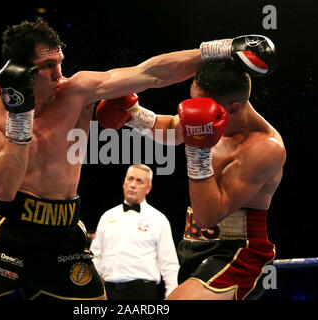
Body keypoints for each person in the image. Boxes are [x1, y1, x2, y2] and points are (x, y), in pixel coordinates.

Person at [0, 17, 246, 300]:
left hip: (63, 236)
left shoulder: (77, 91)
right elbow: (4, 188)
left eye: (59, 62)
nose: (59, 75)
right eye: (48, 66)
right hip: (6, 231)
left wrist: (219, 49)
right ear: (20, 71)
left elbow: (150, 73)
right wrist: (20, 118)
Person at [96, 35, 285, 300]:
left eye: (202, 107)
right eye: (193, 104)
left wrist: (198, 150)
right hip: (193, 247)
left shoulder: (264, 148)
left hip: (239, 254)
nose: (195, 112)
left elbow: (208, 215)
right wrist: (132, 115)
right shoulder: (208, 119)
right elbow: (170, 129)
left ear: (232, 107)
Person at [90, 164, 179, 300]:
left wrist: (172, 297)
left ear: (148, 188)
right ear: (124, 183)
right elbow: (95, 257)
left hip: (142, 293)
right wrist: (93, 291)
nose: (133, 184)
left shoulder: (158, 219)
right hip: (107, 292)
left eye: (139, 181)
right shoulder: (107, 216)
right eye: (130, 179)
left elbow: (169, 265)